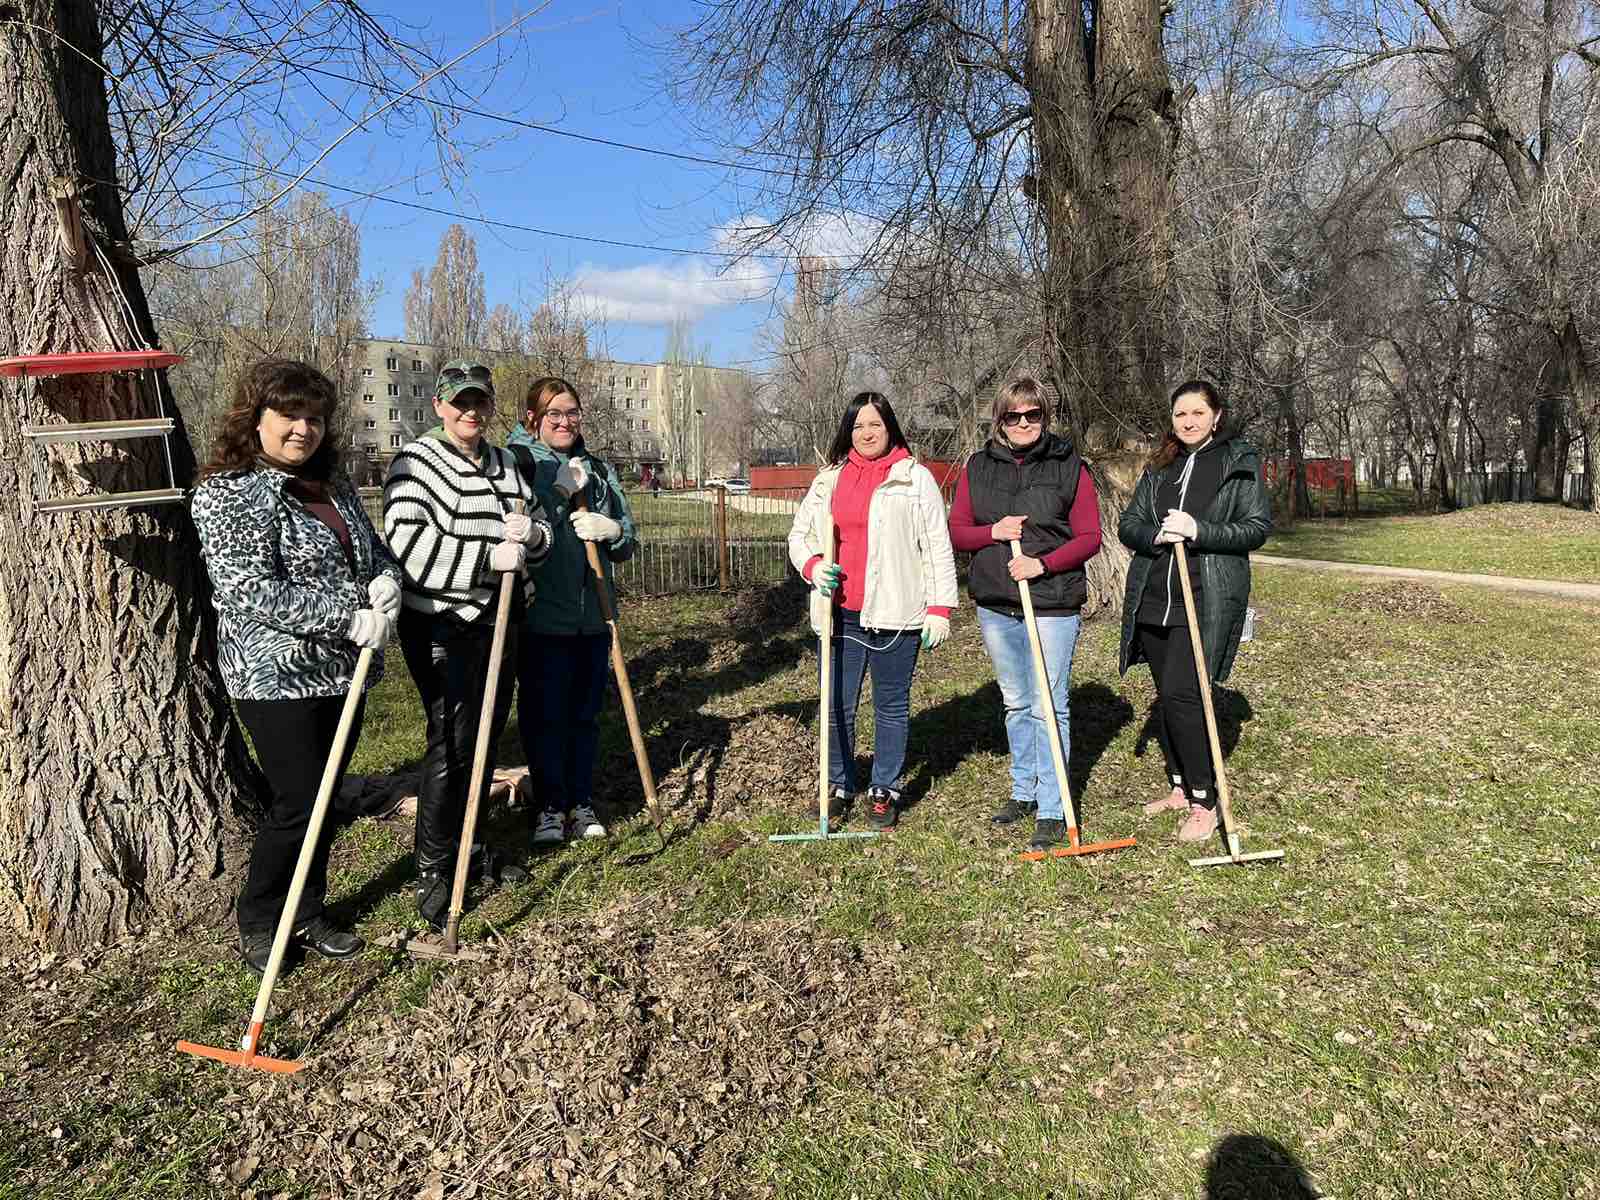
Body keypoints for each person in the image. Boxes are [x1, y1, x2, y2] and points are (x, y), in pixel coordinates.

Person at [192, 358, 402, 973]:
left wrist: (385, 582)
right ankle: (261, 919)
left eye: (314, 418)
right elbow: (248, 588)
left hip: (347, 670)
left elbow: (374, 551)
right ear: (255, 419)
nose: (302, 430)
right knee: (300, 800)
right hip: (275, 676)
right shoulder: (227, 492)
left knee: (329, 793)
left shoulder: (332, 486)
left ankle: (307, 912)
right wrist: (346, 615)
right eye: (288, 416)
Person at [383, 360, 553, 927]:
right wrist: (486, 558)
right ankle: (433, 865)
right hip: (440, 622)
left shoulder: (506, 463)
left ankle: (473, 847)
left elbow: (541, 533)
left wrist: (533, 537)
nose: (470, 412)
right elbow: (408, 545)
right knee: (452, 739)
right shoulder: (415, 463)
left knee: (486, 732)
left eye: (479, 402)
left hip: (501, 620)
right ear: (439, 406)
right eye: (459, 402)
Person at [786, 392, 959, 830]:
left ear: (890, 429)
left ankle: (885, 787)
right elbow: (799, 535)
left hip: (897, 610)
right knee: (837, 705)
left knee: (891, 706)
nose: (866, 433)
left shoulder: (914, 478)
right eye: (859, 425)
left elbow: (937, 545)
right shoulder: (830, 479)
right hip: (840, 611)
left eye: (875, 425)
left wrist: (940, 607)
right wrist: (813, 565)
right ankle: (840, 782)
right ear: (848, 430)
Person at [948, 377, 1102, 851]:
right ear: (999, 421)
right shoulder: (978, 467)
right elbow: (956, 531)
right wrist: (993, 531)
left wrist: (1043, 563)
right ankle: (1025, 790)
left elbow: (1089, 536)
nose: (1022, 424)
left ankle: (1054, 808)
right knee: (1016, 701)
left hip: (1052, 601)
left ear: (1044, 418)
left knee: (1049, 704)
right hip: (997, 603)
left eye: (1032, 415)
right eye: (1012, 416)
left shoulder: (1069, 465)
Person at [1117, 380, 1271, 841]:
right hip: (1154, 597)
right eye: (1180, 414)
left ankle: (1206, 800)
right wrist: (1156, 536)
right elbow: (1130, 524)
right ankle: (1181, 786)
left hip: (1202, 598)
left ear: (1216, 416)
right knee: (1169, 695)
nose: (1188, 422)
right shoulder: (1161, 465)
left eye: (1197, 413)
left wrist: (1199, 530)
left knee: (1186, 696)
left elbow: (1256, 528)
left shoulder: (1237, 462)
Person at [506, 377, 638, 845]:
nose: (564, 422)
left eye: (572, 413)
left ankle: (580, 801)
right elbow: (518, 523)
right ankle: (549, 804)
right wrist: (558, 496)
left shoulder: (597, 470)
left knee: (584, 715)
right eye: (553, 414)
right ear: (533, 419)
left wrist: (612, 530)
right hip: (543, 617)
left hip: (594, 617)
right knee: (545, 715)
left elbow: (628, 541)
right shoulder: (518, 463)